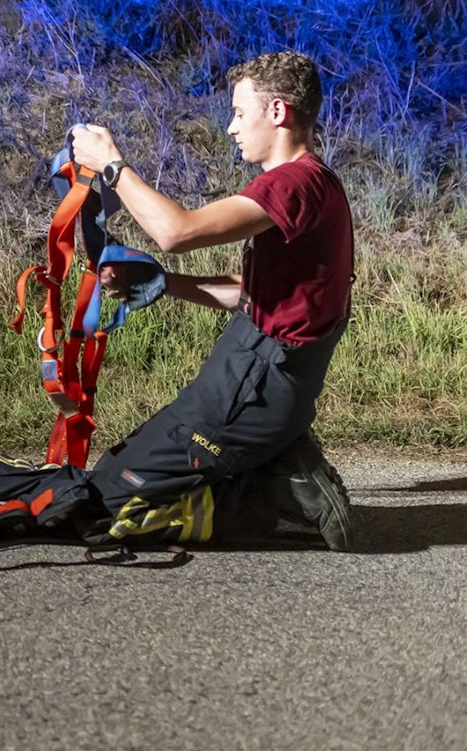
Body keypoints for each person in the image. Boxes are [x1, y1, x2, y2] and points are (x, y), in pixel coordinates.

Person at [68, 50, 357, 551]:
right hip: (257, 375)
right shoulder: (313, 182)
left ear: (277, 112)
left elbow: (176, 232)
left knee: (102, 503)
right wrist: (162, 283)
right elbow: (252, 294)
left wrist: (111, 165)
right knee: (111, 474)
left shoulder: (294, 184)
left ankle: (277, 490)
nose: (231, 127)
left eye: (239, 113)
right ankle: (277, 456)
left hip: (257, 386)